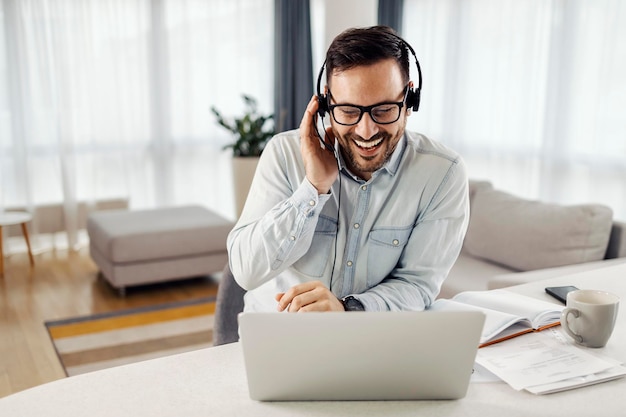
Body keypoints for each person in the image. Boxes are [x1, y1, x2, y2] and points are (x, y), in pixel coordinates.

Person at [227, 25, 469, 313]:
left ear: (409, 100)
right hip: (277, 339)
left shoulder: (442, 173)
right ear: (327, 103)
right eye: (349, 112)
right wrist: (313, 189)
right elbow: (246, 271)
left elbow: (417, 285)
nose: (366, 131)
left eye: (383, 110)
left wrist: (347, 309)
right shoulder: (284, 153)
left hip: (369, 341)